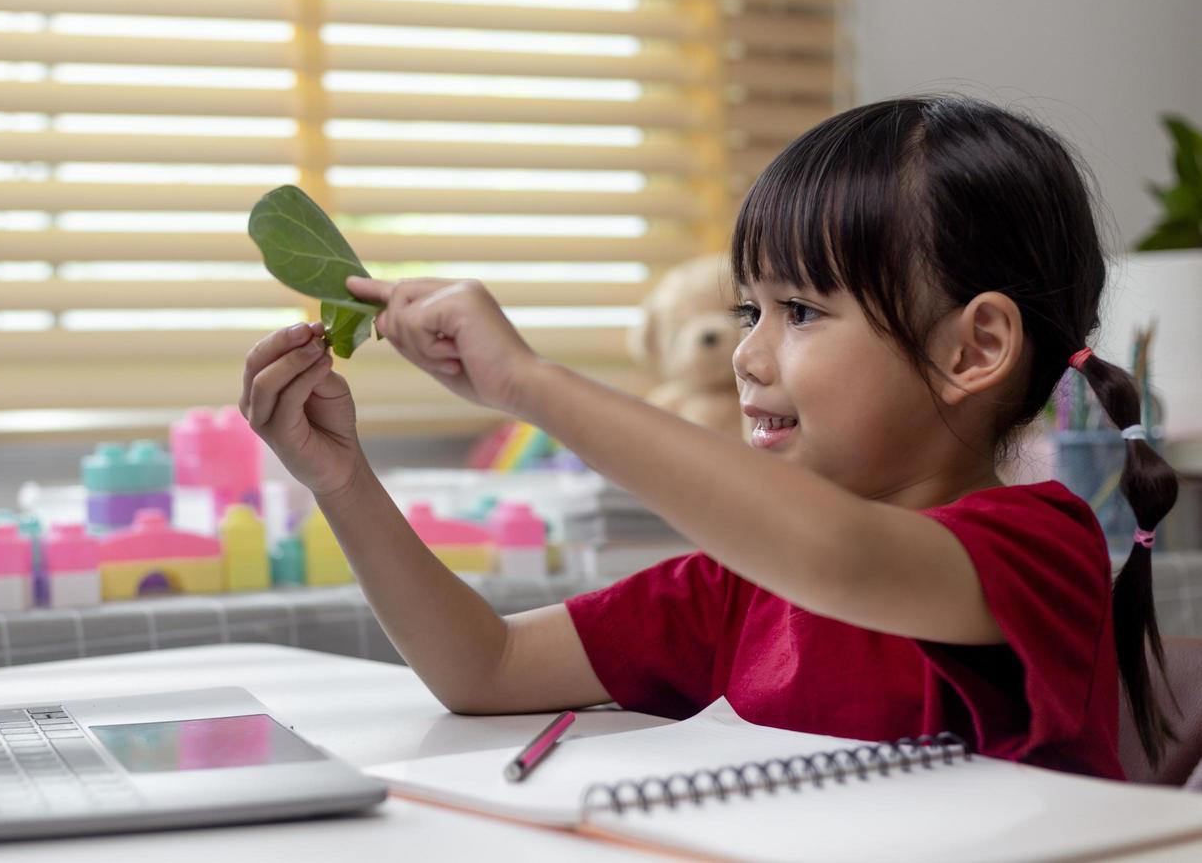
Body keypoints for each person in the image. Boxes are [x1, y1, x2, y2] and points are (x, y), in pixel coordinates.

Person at [239, 95, 1178, 780]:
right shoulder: (746, 583)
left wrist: (531, 385)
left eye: (801, 311)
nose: (747, 355)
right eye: (747, 309)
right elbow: (482, 667)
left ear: (972, 348)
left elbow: (842, 557)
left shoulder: (1040, 548)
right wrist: (342, 480)